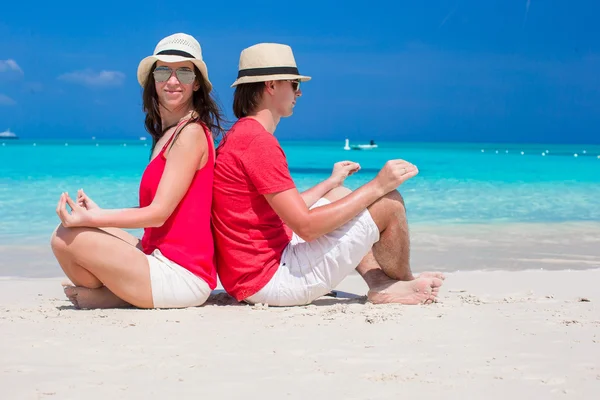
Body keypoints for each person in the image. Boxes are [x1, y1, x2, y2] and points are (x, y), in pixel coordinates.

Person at [212, 43, 445, 307]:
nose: (299, 92)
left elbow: (278, 212)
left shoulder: (240, 135)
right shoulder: (259, 143)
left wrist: (330, 183)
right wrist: (378, 185)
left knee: (339, 194)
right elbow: (306, 227)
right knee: (389, 202)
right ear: (272, 85)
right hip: (272, 280)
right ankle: (400, 284)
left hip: (247, 275)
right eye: (294, 83)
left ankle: (379, 282)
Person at [50, 33, 226, 309]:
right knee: (73, 230)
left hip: (183, 274)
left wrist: (97, 217)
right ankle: (120, 292)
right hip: (156, 253)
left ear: (196, 85)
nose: (172, 80)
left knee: (64, 238)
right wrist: (97, 216)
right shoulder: (169, 133)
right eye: (164, 71)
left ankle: (116, 295)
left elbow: (158, 214)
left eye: (184, 72)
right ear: (153, 80)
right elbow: (159, 208)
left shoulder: (190, 133)